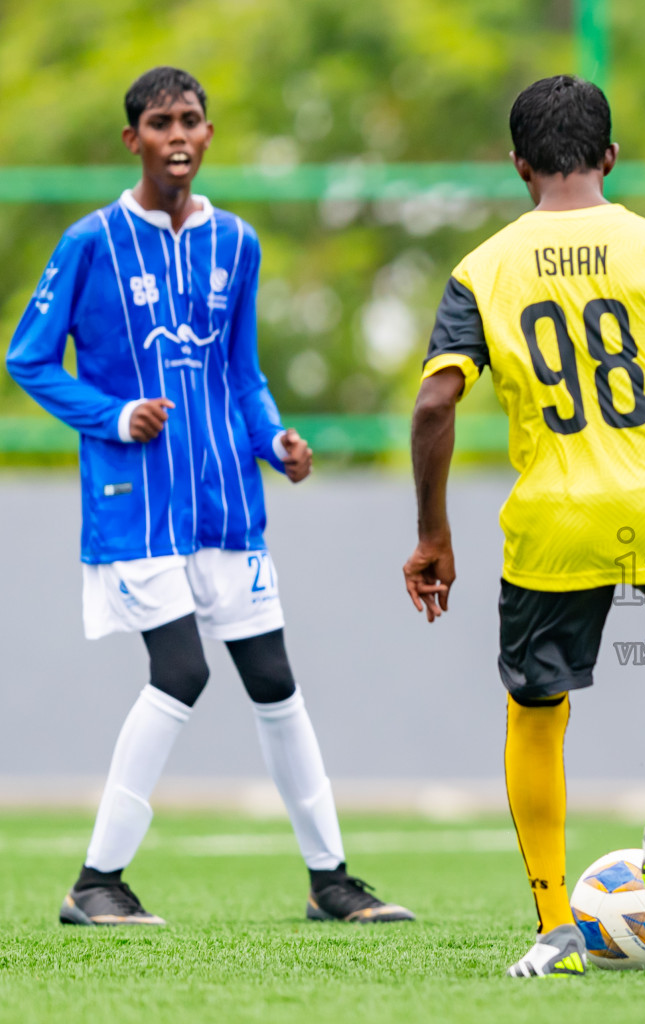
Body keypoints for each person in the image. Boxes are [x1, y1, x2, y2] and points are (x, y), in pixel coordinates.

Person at [5, 66, 413, 927]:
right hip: (138, 506)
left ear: (209, 133)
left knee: (273, 680)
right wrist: (113, 415)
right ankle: (96, 882)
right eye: (160, 123)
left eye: (191, 119)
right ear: (134, 140)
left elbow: (242, 374)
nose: (178, 135)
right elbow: (28, 359)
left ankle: (331, 880)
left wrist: (275, 441)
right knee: (181, 670)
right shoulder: (89, 244)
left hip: (228, 502)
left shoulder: (239, 243)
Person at [402, 75, 645, 979]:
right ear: (611, 157)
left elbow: (432, 405)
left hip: (553, 520)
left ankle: (553, 927)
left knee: (538, 709)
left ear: (518, 164)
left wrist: (432, 534)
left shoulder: (481, 268)